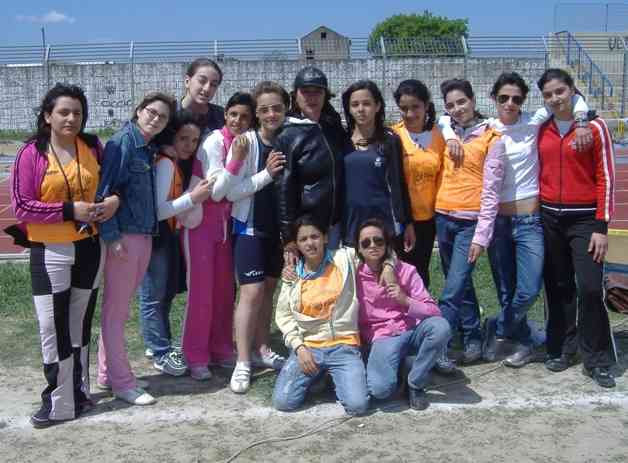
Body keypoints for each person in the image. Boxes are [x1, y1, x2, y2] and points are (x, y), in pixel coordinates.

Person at [10, 83, 119, 428]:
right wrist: (72, 210)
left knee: (78, 324)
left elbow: (112, 185)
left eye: (77, 112)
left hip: (90, 247)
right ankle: (57, 402)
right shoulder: (32, 153)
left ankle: (79, 393)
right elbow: (22, 205)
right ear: (47, 116)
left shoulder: (93, 146)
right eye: (64, 112)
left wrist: (112, 200)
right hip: (50, 249)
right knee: (51, 327)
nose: (72, 118)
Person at [476, 72, 591, 367]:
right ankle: (523, 341)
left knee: (529, 289)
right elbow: (448, 122)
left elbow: (573, 98)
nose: (510, 103)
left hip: (529, 221)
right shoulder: (486, 129)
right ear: (494, 99)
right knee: (506, 290)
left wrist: (580, 123)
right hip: (499, 224)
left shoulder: (533, 121)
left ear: (524, 101)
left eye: (516, 98)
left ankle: (498, 327)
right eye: (503, 98)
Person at [536, 68, 617, 388]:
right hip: (549, 218)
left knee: (589, 287)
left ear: (573, 91)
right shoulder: (541, 128)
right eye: (548, 95)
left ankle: (596, 357)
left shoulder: (594, 127)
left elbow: (606, 177)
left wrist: (601, 226)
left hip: (585, 220)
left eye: (560, 91)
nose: (556, 99)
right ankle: (563, 348)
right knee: (558, 287)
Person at [96, 92, 176, 405]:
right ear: (139, 110)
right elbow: (105, 192)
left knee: (119, 310)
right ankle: (122, 382)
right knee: (116, 313)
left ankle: (107, 373)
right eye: (151, 112)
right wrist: (112, 237)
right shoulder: (123, 142)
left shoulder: (146, 147)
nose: (156, 119)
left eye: (163, 117)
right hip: (125, 237)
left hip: (143, 234)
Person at [211, 82, 288, 392]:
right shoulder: (245, 142)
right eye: (265, 109)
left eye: (277, 108)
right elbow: (231, 191)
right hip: (250, 229)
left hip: (278, 232)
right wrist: (267, 175)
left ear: (285, 110)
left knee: (268, 291)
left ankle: (262, 350)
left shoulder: (289, 138)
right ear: (257, 114)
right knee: (251, 293)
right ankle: (242, 361)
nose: (271, 114)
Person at [181, 92, 255, 381]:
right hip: (200, 224)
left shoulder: (247, 142)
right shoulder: (214, 141)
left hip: (227, 226)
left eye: (245, 116)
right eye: (233, 114)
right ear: (225, 115)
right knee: (201, 292)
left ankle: (221, 348)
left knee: (224, 291)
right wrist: (235, 161)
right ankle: (195, 355)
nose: (238, 120)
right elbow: (216, 190)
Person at [434, 78, 505, 368]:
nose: (457, 108)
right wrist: (449, 133)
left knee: (451, 290)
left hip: (469, 224)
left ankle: (437, 346)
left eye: (461, 102)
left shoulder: (492, 137)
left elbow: (492, 192)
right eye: (451, 105)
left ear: (473, 100)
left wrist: (481, 236)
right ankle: (472, 336)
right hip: (443, 218)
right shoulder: (446, 130)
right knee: (460, 283)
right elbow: (438, 119)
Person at [137, 110, 213, 377]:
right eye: (184, 139)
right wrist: (193, 197)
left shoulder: (174, 161)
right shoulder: (166, 163)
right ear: (173, 136)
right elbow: (160, 210)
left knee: (163, 293)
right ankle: (159, 350)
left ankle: (159, 344)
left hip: (166, 235)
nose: (189, 146)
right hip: (156, 234)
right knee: (153, 296)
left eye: (194, 141)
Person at [272, 215, 369, 415]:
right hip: (309, 348)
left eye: (315, 236)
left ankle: (332, 376)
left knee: (358, 406)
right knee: (284, 402)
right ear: (297, 245)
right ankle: (320, 376)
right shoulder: (293, 275)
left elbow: (379, 253)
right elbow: (284, 317)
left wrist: (388, 267)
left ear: (325, 237)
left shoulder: (345, 258)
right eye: (303, 239)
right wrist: (299, 348)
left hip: (344, 345)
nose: (310, 243)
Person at [356, 218, 450, 410]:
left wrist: (405, 300)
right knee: (380, 391)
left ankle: (415, 383)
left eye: (378, 240)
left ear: (387, 244)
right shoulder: (352, 275)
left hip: (410, 329)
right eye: (366, 242)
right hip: (381, 338)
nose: (372, 245)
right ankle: (406, 365)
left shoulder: (406, 271)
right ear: (358, 248)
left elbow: (434, 311)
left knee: (440, 327)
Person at [274, 66, 351, 252]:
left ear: (326, 95)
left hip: (337, 225)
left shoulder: (333, 127)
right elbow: (284, 188)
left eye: (317, 91)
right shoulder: (287, 135)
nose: (312, 97)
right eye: (306, 92)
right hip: (308, 230)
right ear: (295, 95)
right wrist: (289, 236)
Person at [340, 80, 414, 252]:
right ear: (349, 109)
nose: (361, 109)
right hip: (351, 224)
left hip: (384, 223)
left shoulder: (389, 140)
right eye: (355, 104)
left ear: (377, 106)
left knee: (385, 276)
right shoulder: (340, 141)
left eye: (367, 103)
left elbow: (399, 183)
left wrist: (407, 222)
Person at [180, 58, 225, 134]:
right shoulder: (169, 114)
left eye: (213, 85)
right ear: (187, 81)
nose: (207, 89)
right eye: (202, 81)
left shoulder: (222, 117)